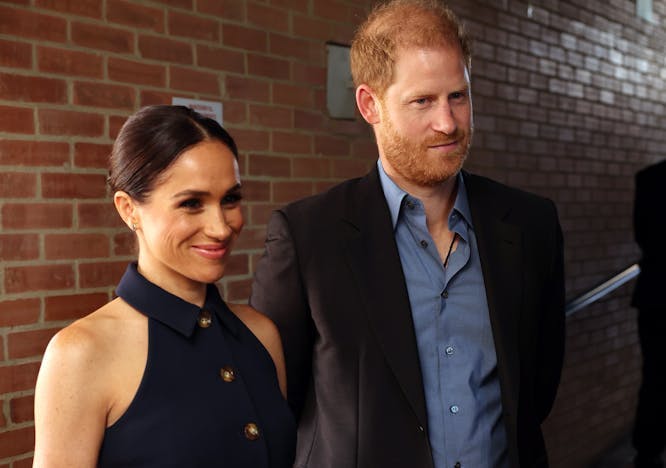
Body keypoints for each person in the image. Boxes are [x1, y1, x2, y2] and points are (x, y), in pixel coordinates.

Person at [249, 1, 565, 467]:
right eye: (423, 101)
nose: (448, 123)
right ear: (369, 104)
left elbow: (536, 387)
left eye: (458, 96)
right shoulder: (307, 238)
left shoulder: (530, 225)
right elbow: (273, 401)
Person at [33, 105, 296, 467]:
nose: (221, 227)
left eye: (230, 199)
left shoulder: (261, 333)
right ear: (129, 210)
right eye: (191, 203)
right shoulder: (80, 354)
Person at [631, 159, 666, 468]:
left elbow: (643, 237)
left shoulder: (649, 179)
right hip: (657, 297)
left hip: (656, 295)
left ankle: (648, 451)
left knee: (655, 376)